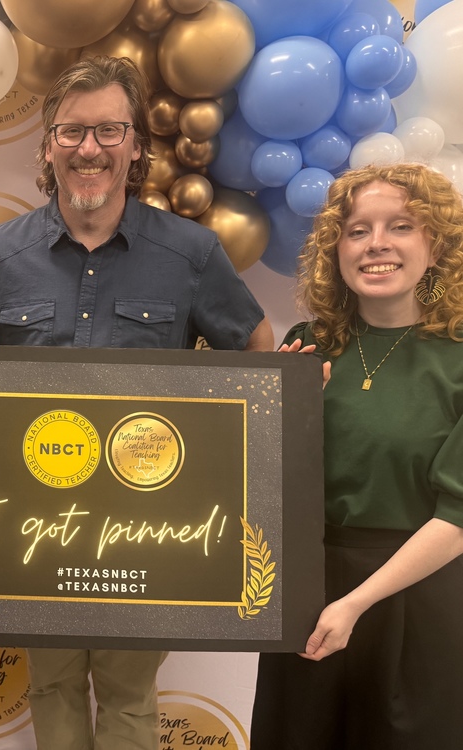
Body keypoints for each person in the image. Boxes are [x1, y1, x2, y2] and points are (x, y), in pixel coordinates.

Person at [0, 56, 274, 750]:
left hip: (148, 527)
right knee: (52, 687)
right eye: (71, 131)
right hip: (31, 527)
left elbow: (256, 354)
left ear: (135, 145)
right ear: (48, 145)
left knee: (130, 699)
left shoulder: (191, 253)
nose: (89, 148)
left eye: (108, 131)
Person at [250, 163, 463, 748]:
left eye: (401, 226)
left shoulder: (458, 357)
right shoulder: (308, 346)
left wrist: (354, 605)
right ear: (336, 250)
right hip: (307, 598)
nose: (377, 244)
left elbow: (457, 519)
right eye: (357, 230)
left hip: (420, 600)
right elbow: (259, 491)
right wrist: (282, 421)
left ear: (435, 246)